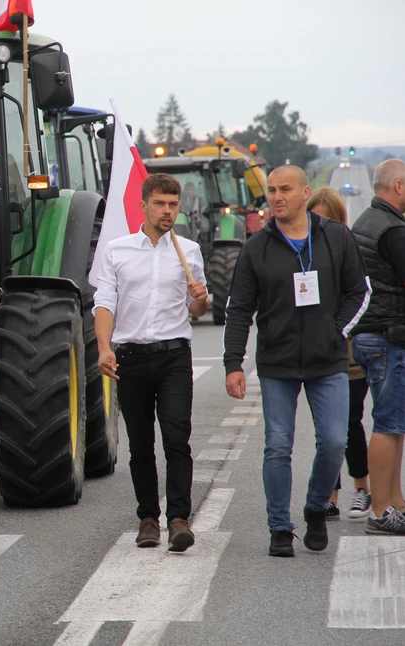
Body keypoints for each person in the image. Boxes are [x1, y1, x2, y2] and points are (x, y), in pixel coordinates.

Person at [223, 165, 370, 557]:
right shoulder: (257, 246)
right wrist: (232, 363)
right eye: (271, 190)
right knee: (278, 445)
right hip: (277, 362)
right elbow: (238, 309)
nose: (276, 197)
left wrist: (336, 330)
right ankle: (279, 528)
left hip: (328, 361)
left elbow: (360, 291)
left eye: (285, 189)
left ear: (305, 192)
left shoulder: (336, 237)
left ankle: (316, 507)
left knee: (335, 441)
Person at [94, 173, 210, 553]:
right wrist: (103, 347)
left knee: (177, 439)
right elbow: (105, 302)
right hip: (130, 355)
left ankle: (179, 518)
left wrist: (201, 298)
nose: (167, 211)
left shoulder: (188, 250)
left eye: (173, 205)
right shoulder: (117, 250)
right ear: (143, 205)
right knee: (141, 445)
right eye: (160, 203)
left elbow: (197, 309)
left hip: (174, 354)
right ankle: (148, 518)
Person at [349, 158, 405, 535]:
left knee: (395, 423)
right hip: (389, 334)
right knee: (388, 424)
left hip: (370, 333)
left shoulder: (366, 222)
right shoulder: (393, 229)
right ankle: (382, 510)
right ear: (399, 186)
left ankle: (397, 502)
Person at [306, 187, 372, 520]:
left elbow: (361, 295)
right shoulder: (300, 252)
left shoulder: (349, 248)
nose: (318, 226)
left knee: (348, 421)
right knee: (325, 429)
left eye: (325, 219)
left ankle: (361, 487)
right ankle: (329, 495)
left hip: (347, 350)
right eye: (313, 218)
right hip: (314, 352)